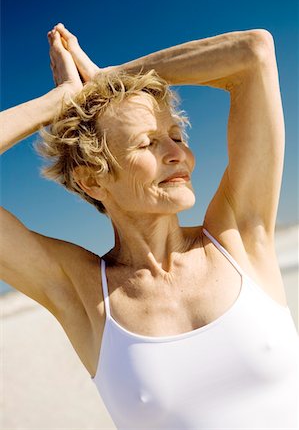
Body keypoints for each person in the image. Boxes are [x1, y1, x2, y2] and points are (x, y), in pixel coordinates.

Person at [1, 23, 298, 429]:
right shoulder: (85, 293)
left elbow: (253, 51)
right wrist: (61, 100)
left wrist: (113, 76)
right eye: (147, 143)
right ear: (93, 179)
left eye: (176, 135)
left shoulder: (240, 236)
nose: (178, 153)